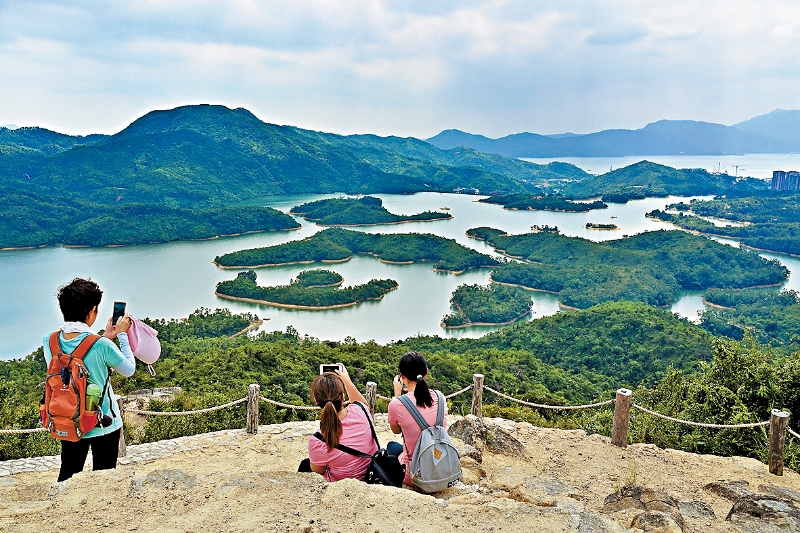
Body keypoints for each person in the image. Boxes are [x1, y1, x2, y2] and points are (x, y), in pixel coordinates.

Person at [43, 278, 136, 482]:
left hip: (69, 417)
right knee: (103, 477)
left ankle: (61, 509)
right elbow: (129, 369)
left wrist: (105, 336)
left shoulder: (49, 341)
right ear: (92, 311)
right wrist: (121, 335)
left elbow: (71, 361)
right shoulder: (101, 345)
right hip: (103, 423)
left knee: (68, 471)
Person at [300, 365, 378, 481]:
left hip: (342, 485)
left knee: (305, 465)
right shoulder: (361, 411)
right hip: (371, 475)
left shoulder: (318, 440)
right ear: (343, 397)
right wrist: (347, 381)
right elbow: (360, 402)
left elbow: (318, 470)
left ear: (316, 401)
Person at [387, 350, 446, 486]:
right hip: (441, 467)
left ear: (401, 376)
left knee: (391, 447)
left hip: (415, 475)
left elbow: (396, 431)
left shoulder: (397, 404)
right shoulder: (440, 397)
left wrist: (397, 393)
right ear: (426, 373)